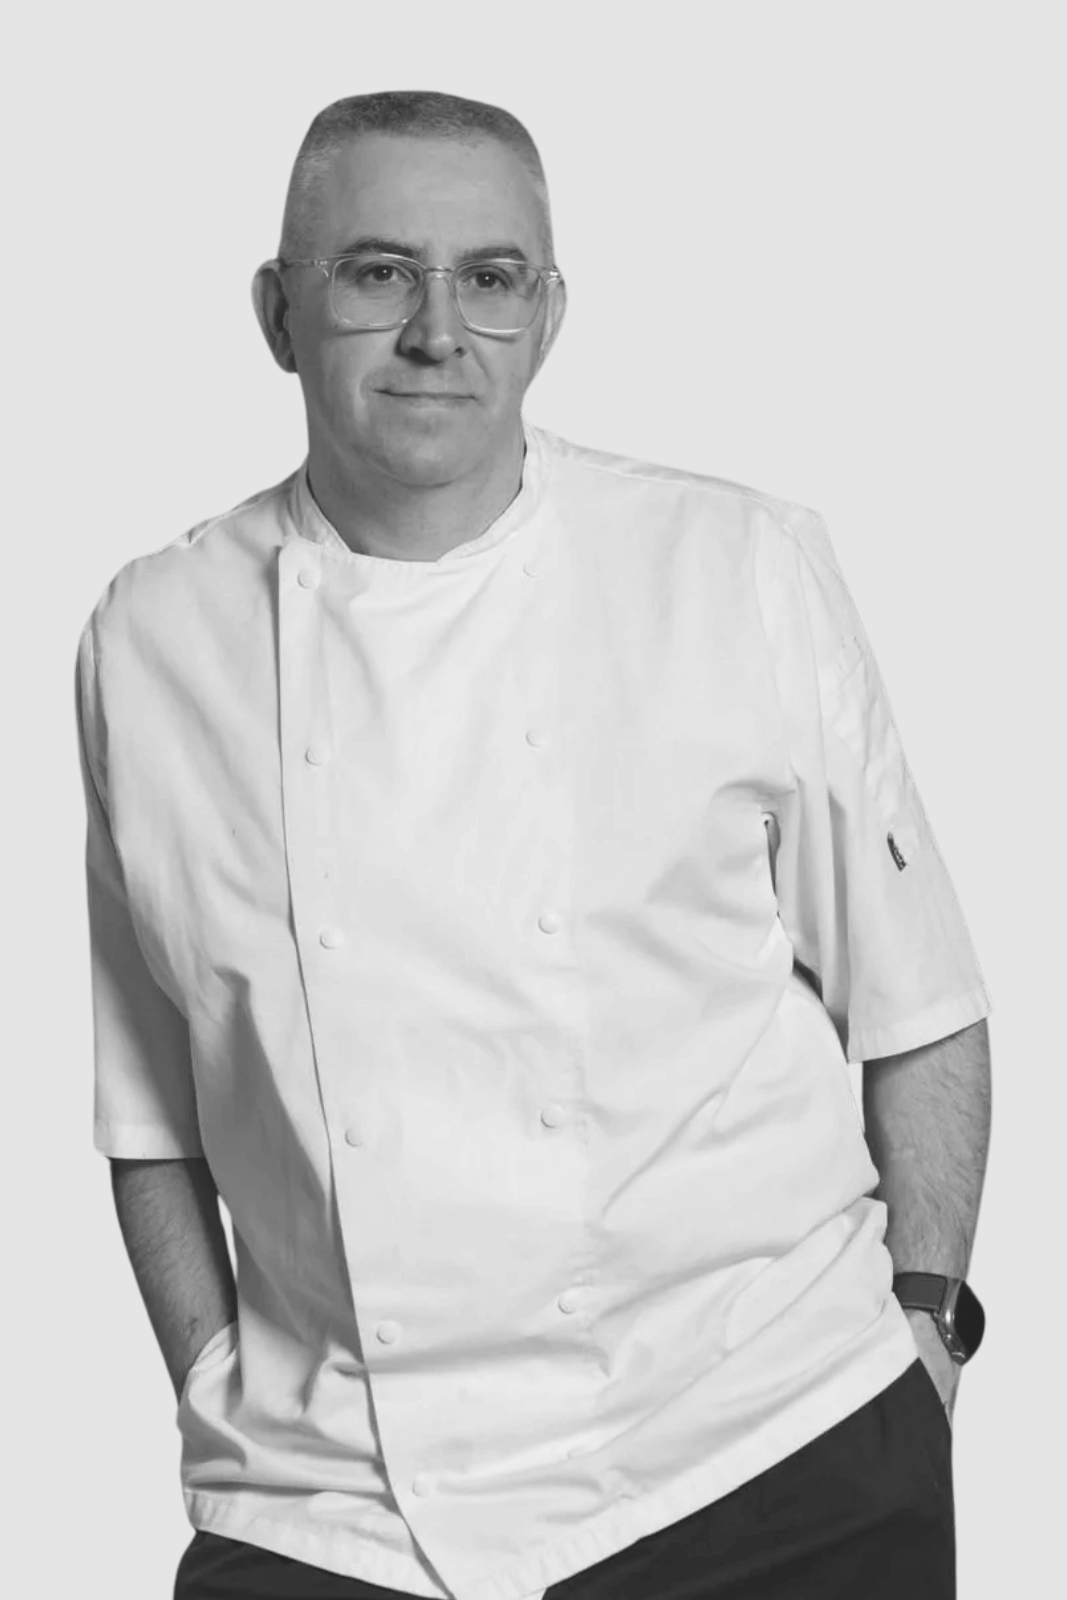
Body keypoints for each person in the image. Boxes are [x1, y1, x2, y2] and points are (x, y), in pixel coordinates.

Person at [74, 90, 992, 1600]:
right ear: (276, 312)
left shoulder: (734, 566)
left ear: (547, 314)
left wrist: (925, 1329)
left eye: (490, 278)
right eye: (377, 272)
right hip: (334, 1507)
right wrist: (212, 1386)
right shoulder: (147, 635)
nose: (440, 328)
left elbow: (921, 1005)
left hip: (768, 1455)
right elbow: (149, 1100)